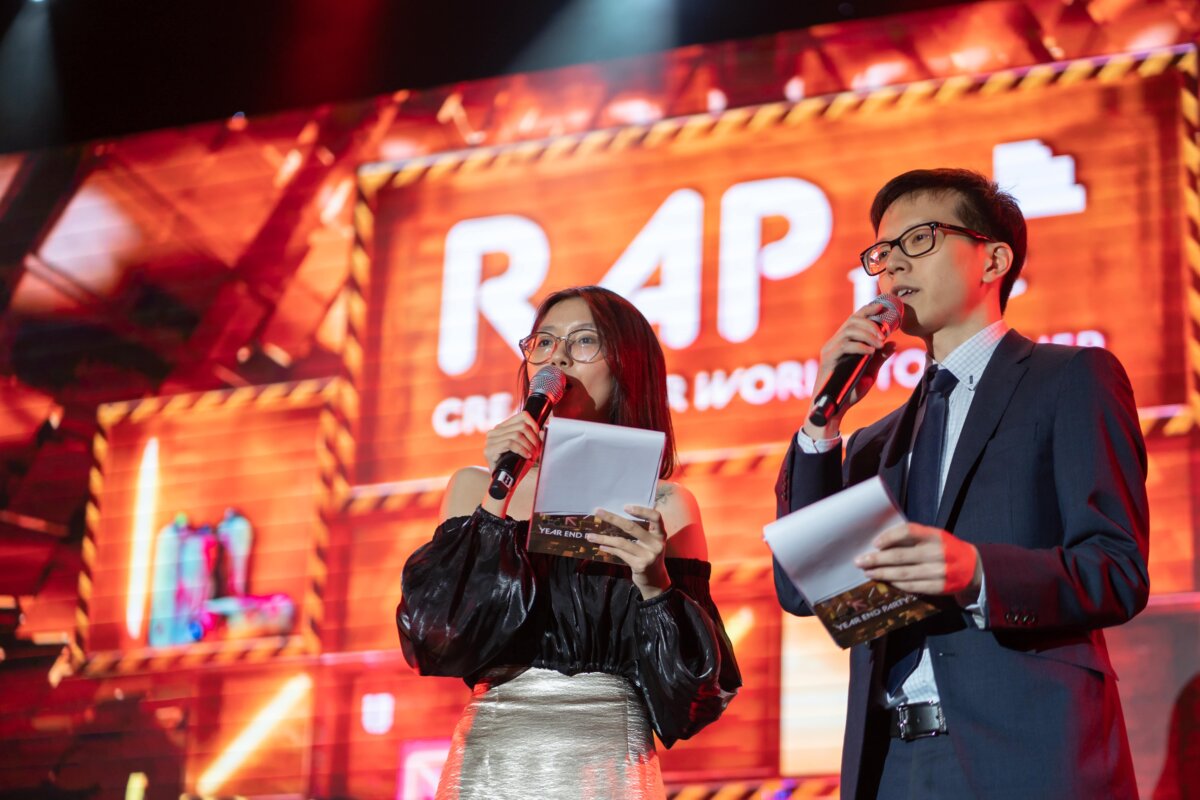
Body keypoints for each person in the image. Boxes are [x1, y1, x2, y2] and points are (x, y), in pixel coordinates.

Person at [773, 168, 1149, 799]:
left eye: (918, 239)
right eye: (882, 253)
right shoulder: (873, 443)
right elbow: (803, 588)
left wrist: (977, 573)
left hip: (1029, 755)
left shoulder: (1070, 379)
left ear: (993, 260)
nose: (893, 265)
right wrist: (822, 423)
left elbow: (1116, 570)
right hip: (893, 763)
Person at [398, 285, 741, 799]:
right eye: (544, 342)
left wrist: (655, 587)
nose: (557, 357)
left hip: (606, 766)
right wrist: (498, 497)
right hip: (490, 764)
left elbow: (695, 696)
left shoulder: (666, 505)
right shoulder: (476, 488)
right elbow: (435, 638)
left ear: (627, 368)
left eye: (583, 341)